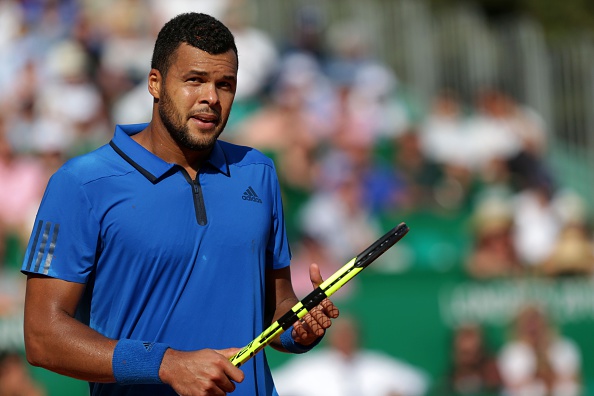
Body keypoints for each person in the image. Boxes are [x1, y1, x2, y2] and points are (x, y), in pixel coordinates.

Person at [20, 12, 339, 396]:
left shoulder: (259, 172)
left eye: (225, 84)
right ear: (154, 83)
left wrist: (298, 327)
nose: (211, 98)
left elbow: (277, 303)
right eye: (194, 80)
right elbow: (42, 337)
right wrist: (166, 365)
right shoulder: (81, 183)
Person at [273, 315, 429, 396]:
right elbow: (277, 384)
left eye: (349, 334)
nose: (345, 339)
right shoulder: (309, 367)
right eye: (341, 334)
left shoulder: (375, 363)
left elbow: (418, 380)